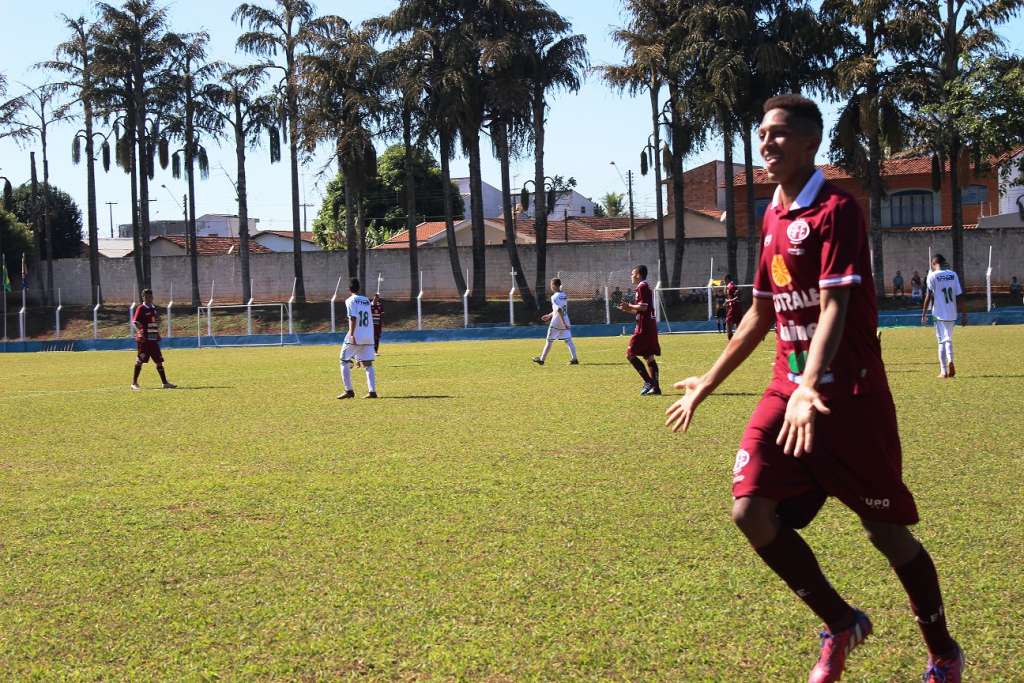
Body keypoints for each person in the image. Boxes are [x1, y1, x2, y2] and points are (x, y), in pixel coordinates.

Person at [665, 95, 962, 683]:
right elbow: (761, 313)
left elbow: (834, 306)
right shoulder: (771, 218)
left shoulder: (837, 211)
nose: (766, 143)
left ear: (809, 142)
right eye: (761, 134)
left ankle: (943, 652)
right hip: (786, 391)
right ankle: (840, 622)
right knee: (750, 511)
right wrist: (708, 380)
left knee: (885, 532)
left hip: (850, 399)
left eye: (777, 134)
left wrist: (811, 384)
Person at [619, 264, 661, 395]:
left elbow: (643, 307)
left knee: (630, 354)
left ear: (638, 275)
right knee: (649, 356)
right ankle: (656, 388)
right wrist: (628, 309)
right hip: (649, 325)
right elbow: (642, 310)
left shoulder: (642, 286)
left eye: (632, 274)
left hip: (644, 327)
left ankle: (648, 381)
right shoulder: (644, 287)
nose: (631, 276)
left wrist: (630, 305)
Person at [921, 255, 963, 379]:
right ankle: (951, 360)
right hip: (952, 313)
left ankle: (943, 371)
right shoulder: (953, 274)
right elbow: (959, 295)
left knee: (941, 341)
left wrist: (924, 313)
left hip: (938, 314)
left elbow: (928, 296)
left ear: (934, 263)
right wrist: (964, 314)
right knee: (948, 337)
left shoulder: (932, 276)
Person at [338, 278, 378, 399]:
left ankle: (348, 390)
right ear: (359, 288)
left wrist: (351, 334)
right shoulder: (366, 300)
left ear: (349, 289)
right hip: (368, 335)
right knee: (368, 364)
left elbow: (353, 317)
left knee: (343, 360)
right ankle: (372, 391)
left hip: (357, 334)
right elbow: (368, 311)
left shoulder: (350, 300)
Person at [131, 289, 176, 391]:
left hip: (153, 338)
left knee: (159, 360)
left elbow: (154, 322)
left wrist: (157, 333)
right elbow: (135, 322)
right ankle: (134, 383)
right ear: (143, 297)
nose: (149, 299)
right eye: (146, 297)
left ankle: (165, 383)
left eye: (150, 297)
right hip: (144, 339)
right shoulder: (141, 308)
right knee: (140, 360)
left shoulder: (153, 308)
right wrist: (139, 332)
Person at [533, 277, 579, 366]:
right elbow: (559, 309)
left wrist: (562, 323)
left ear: (554, 285)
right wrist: (549, 315)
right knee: (568, 340)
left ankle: (542, 360)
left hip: (557, 322)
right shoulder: (564, 295)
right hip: (565, 319)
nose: (551, 286)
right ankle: (574, 359)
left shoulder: (554, 297)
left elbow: (559, 310)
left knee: (549, 340)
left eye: (551, 285)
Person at [724, 274, 743, 340]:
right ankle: (739, 342)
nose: (725, 282)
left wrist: (728, 301)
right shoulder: (731, 286)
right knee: (738, 326)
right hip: (737, 308)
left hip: (734, 308)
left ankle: (731, 342)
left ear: (727, 279)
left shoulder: (731, 286)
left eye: (725, 280)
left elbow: (737, 296)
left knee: (728, 323)